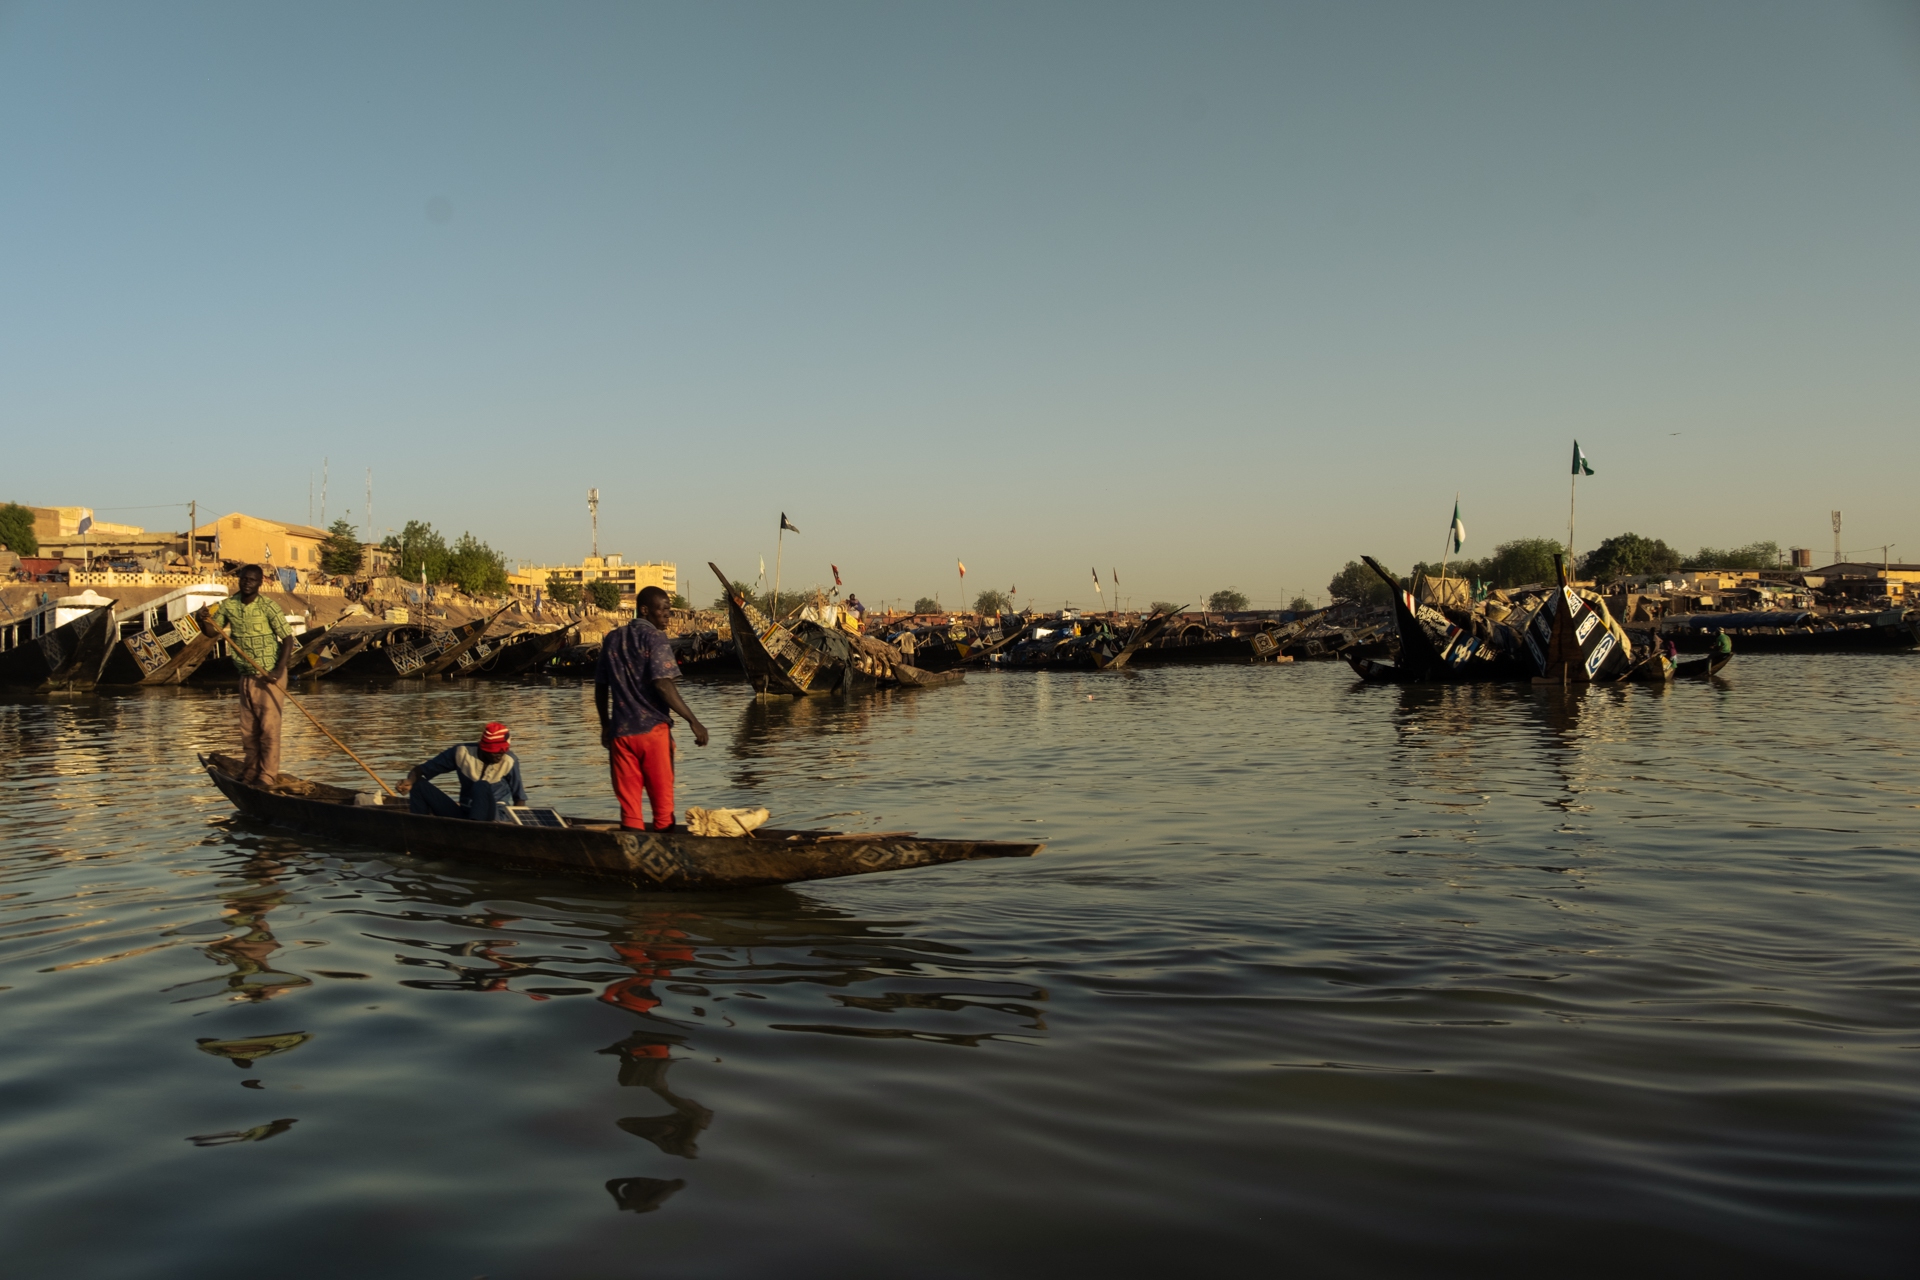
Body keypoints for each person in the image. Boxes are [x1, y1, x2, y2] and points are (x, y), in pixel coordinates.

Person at [597, 585, 709, 831]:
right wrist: (694, 721)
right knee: (663, 807)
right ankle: (665, 848)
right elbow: (662, 684)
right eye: (663, 609)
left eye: (669, 610)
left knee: (630, 811)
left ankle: (632, 848)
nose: (667, 615)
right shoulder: (655, 638)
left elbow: (600, 686)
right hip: (652, 733)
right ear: (645, 610)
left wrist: (605, 725)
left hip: (621, 734)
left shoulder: (612, 638)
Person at [205, 564, 296, 787]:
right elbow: (211, 632)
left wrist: (278, 670)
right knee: (248, 731)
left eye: (252, 580)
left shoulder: (268, 606)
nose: (247, 583)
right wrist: (203, 619)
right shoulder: (229, 605)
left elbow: (288, 639)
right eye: (244, 579)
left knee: (268, 730)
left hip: (269, 676)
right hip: (246, 675)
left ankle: (267, 776)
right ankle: (251, 772)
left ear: (260, 583)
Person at [398, 721, 528, 821]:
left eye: (503, 751)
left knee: (481, 785)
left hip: (494, 816)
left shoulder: (510, 761)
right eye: (496, 752)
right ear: (483, 748)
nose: (500, 755)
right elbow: (421, 770)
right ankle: (420, 827)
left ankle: (474, 830)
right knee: (418, 784)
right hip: (464, 813)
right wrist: (409, 781)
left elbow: (520, 798)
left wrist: (518, 826)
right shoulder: (461, 752)